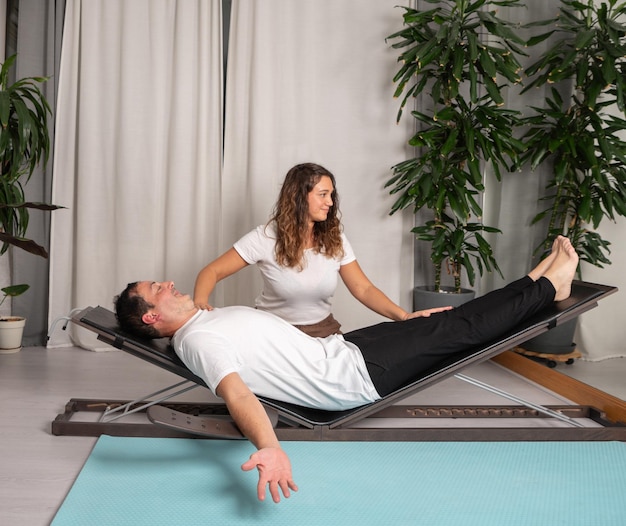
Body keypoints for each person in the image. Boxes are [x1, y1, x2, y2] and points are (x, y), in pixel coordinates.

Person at [115, 236, 579, 504]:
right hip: (355, 375)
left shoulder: (201, 319)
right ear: (153, 317)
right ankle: (546, 287)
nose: (169, 282)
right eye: (158, 288)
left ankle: (538, 282)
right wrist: (271, 448)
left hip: (344, 350)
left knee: (440, 319)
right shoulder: (198, 340)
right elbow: (237, 394)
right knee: (462, 327)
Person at [193, 162, 443, 337]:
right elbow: (211, 272)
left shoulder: (335, 239)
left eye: (331, 195)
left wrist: (403, 316)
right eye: (323, 194)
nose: (330, 202)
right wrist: (201, 304)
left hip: (323, 331)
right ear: (299, 197)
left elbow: (363, 288)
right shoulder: (265, 237)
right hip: (273, 331)